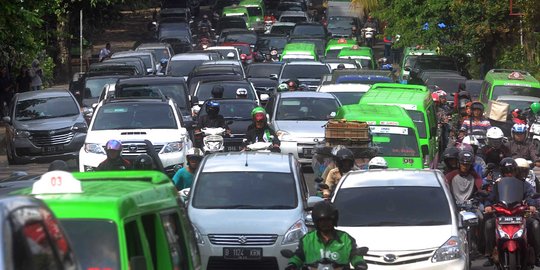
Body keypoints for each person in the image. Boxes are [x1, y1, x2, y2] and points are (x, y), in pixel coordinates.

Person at [483, 157, 540, 267]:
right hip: (501, 215)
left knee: (535, 224)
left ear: (515, 171)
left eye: (511, 171)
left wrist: (532, 204)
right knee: (489, 224)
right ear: (502, 172)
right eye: (506, 171)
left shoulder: (523, 184)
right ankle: (489, 254)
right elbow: (490, 198)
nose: (509, 174)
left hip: (520, 215)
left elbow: (530, 195)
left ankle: (537, 255)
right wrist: (488, 206)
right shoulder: (497, 185)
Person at [286, 201, 368, 270]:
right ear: (316, 221)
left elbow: (355, 255)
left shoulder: (345, 238)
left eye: (328, 220)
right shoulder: (307, 240)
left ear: (334, 220)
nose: (325, 223)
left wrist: (359, 263)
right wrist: (292, 264)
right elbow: (298, 256)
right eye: (321, 220)